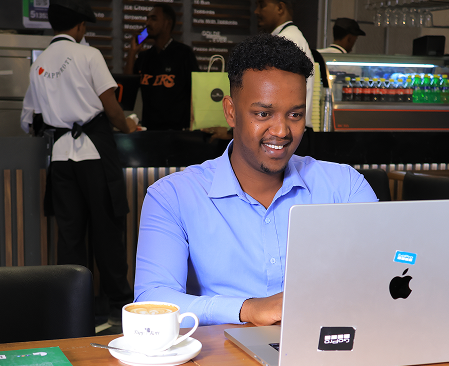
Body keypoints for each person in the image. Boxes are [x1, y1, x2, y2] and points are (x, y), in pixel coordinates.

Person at [133, 34, 378, 327]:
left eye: (295, 115)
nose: (282, 131)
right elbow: (152, 300)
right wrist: (247, 309)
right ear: (231, 112)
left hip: (325, 345)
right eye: (263, 113)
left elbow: (382, 275)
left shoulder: (345, 186)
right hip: (222, 354)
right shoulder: (172, 196)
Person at [22, 0, 137, 325]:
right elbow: (112, 108)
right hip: (94, 154)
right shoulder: (89, 55)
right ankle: (118, 307)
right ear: (80, 27)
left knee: (70, 236)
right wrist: (128, 126)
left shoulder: (38, 63)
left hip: (61, 158)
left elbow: (29, 120)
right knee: (107, 230)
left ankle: (74, 311)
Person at [125, 5, 199, 130]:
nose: (148, 23)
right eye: (147, 19)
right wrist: (132, 52)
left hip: (178, 131)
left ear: (167, 23)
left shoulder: (184, 53)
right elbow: (128, 89)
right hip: (149, 129)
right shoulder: (144, 56)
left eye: (153, 19)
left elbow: (196, 92)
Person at [254, 0, 314, 129]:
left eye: (262, 6)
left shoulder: (287, 40)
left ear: (280, 8)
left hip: (287, 129)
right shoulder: (288, 37)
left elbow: (279, 94)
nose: (256, 11)